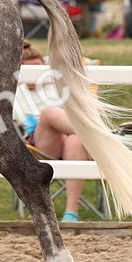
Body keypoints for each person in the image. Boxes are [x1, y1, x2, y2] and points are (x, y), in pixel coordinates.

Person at [17, 40, 95, 222]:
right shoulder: (15, 94)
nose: (35, 77)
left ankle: (71, 212)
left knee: (74, 139)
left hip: (72, 140)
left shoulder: (58, 87)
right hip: (40, 147)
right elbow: (2, 132)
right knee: (48, 112)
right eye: (30, 72)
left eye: (39, 71)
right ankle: (101, 136)